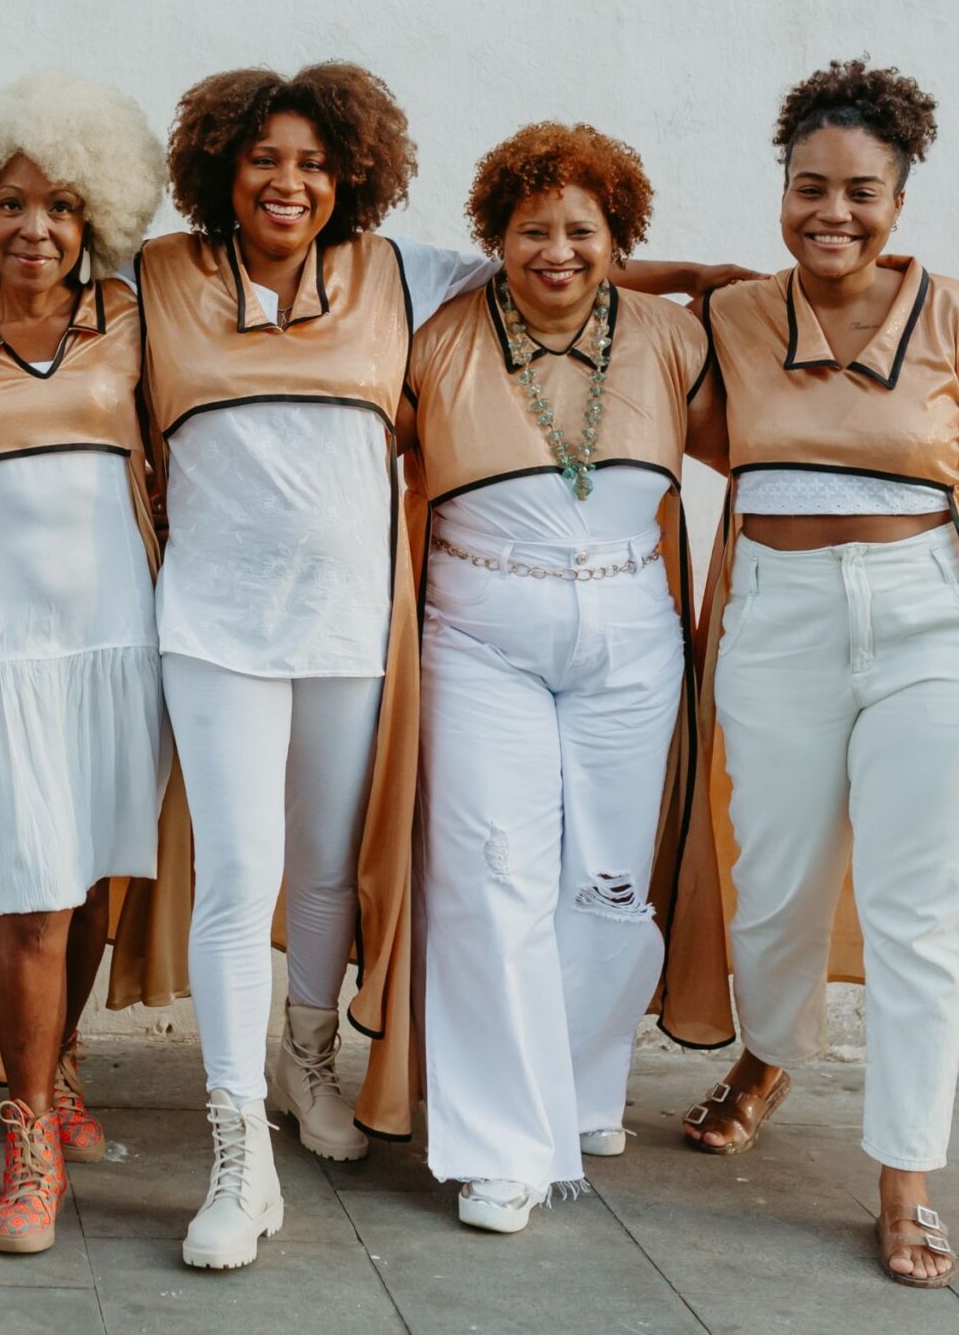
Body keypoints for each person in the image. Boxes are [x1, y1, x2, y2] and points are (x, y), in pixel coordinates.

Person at [141, 62, 744, 1270]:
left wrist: (719, 282)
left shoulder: (398, 272)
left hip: (351, 627)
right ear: (219, 167)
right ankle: (237, 1159)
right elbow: (31, 274)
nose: (289, 182)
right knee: (240, 876)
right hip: (210, 623)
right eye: (264, 159)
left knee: (325, 873)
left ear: (351, 175)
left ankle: (307, 1061)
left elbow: (558, 266)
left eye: (315, 163)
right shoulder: (157, 274)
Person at [663, 60, 959, 1288]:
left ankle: (906, 1172)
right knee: (772, 888)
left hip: (930, 623)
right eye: (808, 188)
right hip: (776, 618)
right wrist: (698, 272)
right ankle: (770, 1051)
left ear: (899, 201)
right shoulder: (735, 315)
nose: (832, 213)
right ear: (781, 190)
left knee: (922, 905)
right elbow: (598, 280)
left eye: (861, 192)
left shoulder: (957, 318)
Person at [400, 122, 719, 1233]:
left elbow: (763, 443)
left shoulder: (670, 336)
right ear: (495, 236)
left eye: (581, 229)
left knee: (608, 887)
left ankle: (578, 1088)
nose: (557, 250)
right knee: (491, 878)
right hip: (480, 630)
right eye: (531, 228)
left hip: (631, 631)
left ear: (618, 237)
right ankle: (499, 1145)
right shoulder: (439, 336)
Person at [0, 71, 185, 1254]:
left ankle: (60, 1059)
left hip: (121, 639)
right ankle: (27, 1137)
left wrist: (685, 277)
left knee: (87, 885)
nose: (37, 228)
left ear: (95, 218)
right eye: (13, 203)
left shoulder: (131, 314)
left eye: (64, 206)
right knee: (27, 895)